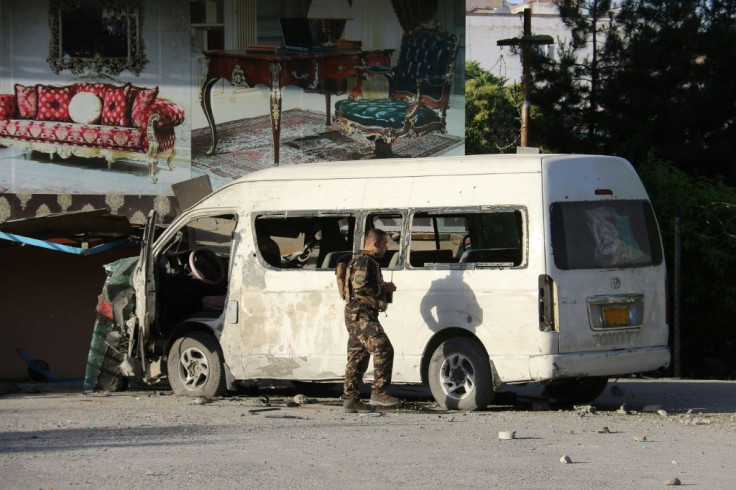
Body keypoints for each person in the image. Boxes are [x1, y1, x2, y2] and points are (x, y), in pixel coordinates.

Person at [342, 228, 401, 412]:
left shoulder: (366, 261)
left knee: (358, 356)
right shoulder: (364, 261)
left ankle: (351, 399)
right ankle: (379, 393)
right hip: (361, 313)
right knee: (383, 348)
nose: (386, 247)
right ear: (375, 244)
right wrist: (384, 288)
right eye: (384, 243)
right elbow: (360, 288)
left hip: (358, 313)